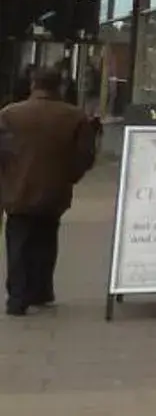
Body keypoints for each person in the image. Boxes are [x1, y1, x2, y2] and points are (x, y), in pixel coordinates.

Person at [2, 68, 100, 315]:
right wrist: (69, 177)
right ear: (61, 86)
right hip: (55, 190)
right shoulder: (74, 116)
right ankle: (41, 290)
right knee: (46, 238)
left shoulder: (9, 114)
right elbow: (85, 155)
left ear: (33, 84)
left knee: (18, 242)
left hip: (17, 190)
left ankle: (17, 297)